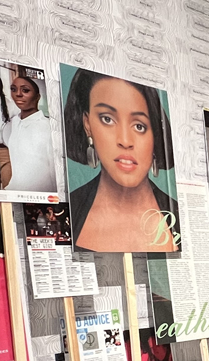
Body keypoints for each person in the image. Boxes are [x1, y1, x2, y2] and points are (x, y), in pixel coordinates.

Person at [64, 70, 178, 252]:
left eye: (139, 126)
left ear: (155, 133)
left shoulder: (178, 215)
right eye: (107, 119)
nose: (125, 141)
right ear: (87, 124)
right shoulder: (70, 211)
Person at [3, 74, 57, 192]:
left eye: (25, 90)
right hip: (13, 190)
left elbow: (55, 173)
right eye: (13, 89)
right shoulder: (13, 122)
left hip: (40, 196)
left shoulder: (48, 127)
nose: (18, 94)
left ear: (37, 97)